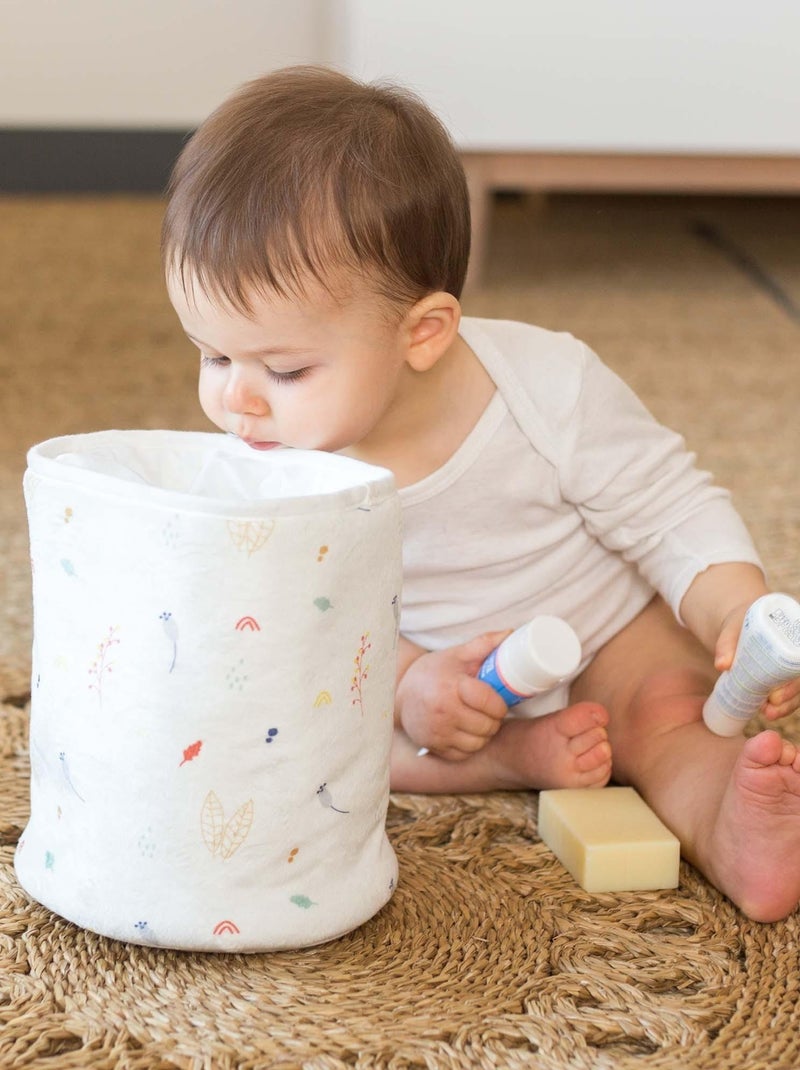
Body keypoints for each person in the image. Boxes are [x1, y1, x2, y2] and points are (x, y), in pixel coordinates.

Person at [161, 65, 800, 922]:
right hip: (415, 671)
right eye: (211, 355)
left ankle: (732, 829)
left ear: (423, 332)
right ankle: (510, 759)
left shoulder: (548, 385)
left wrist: (732, 612)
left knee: (668, 712)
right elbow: (300, 624)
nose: (235, 401)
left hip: (603, 633)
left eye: (284, 368)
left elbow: (668, 506)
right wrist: (410, 682)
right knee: (297, 731)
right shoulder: (262, 464)